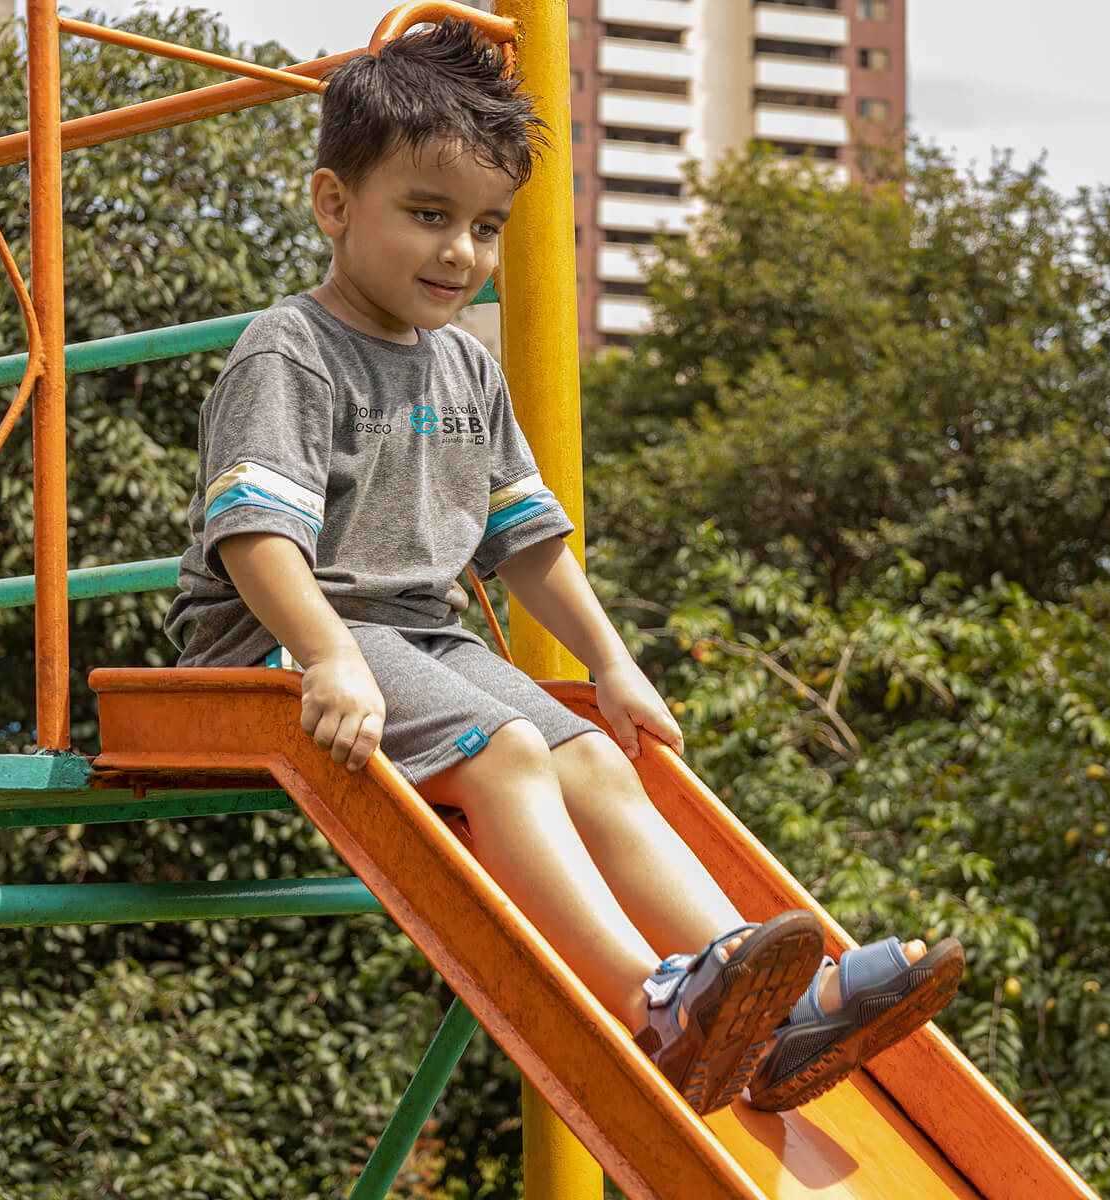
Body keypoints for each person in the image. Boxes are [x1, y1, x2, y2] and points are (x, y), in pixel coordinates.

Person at [163, 17, 963, 1115]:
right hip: (283, 638)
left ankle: (776, 1007)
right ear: (334, 205)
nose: (462, 254)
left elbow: (530, 543)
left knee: (590, 757)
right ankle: (656, 1001)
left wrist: (614, 663)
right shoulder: (291, 349)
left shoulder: (464, 365)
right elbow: (253, 533)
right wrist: (325, 657)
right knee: (507, 757)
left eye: (487, 227)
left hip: (418, 633)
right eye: (429, 216)